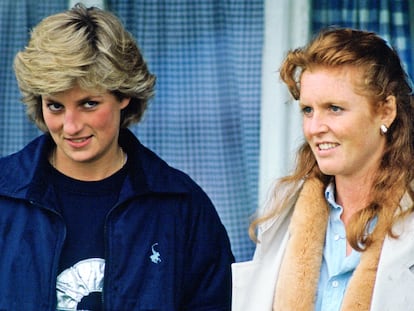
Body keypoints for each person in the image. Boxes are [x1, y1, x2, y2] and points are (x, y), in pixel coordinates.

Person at [0, 3, 234, 310]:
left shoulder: (181, 206)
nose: (70, 126)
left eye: (88, 104)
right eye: (56, 106)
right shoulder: (4, 198)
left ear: (124, 95)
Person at [232, 27, 414, 311]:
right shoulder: (283, 213)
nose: (315, 128)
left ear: (386, 111)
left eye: (334, 108)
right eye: (308, 110)